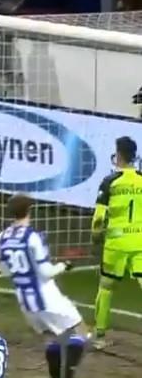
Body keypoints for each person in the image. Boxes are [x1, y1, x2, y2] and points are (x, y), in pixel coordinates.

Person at [0, 194, 87, 378]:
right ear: (29, 210)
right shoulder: (32, 237)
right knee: (81, 331)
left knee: (51, 338)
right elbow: (46, 272)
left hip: (25, 301)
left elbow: (4, 270)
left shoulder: (2, 237)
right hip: (46, 296)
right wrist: (64, 265)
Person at [92, 136, 142, 349]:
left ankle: (99, 337)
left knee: (106, 287)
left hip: (115, 244)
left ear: (119, 155)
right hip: (139, 242)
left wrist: (95, 236)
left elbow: (99, 218)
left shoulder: (109, 182)